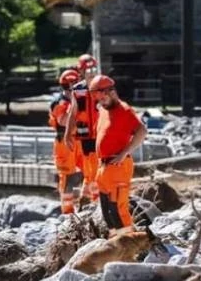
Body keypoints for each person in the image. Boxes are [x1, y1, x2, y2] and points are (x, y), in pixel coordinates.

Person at [89, 74, 147, 234]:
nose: (101, 102)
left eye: (103, 98)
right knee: (107, 212)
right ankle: (115, 242)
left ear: (112, 92)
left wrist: (124, 153)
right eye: (99, 100)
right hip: (103, 168)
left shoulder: (124, 110)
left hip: (118, 167)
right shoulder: (103, 110)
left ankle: (129, 243)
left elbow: (142, 131)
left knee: (118, 211)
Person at [64, 54, 101, 205]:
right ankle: (89, 201)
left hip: (101, 136)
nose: (91, 73)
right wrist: (67, 134)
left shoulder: (103, 86)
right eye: (88, 70)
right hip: (85, 138)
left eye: (93, 69)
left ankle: (96, 200)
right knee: (89, 172)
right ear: (81, 71)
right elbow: (72, 114)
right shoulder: (78, 90)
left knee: (100, 170)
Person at [49, 69, 82, 213]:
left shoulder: (81, 99)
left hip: (80, 140)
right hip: (64, 142)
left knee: (89, 172)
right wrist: (75, 106)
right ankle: (67, 211)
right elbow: (62, 121)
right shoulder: (59, 103)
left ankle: (87, 203)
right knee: (67, 177)